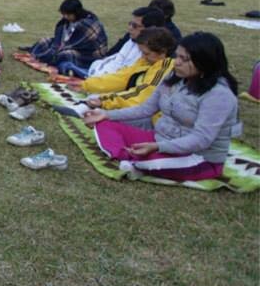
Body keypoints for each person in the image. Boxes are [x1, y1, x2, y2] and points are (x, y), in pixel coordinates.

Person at [83, 32, 240, 181]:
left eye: (184, 59)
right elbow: (145, 109)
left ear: (204, 62)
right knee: (104, 124)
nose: (177, 62)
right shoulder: (174, 77)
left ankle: (133, 158)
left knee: (147, 162)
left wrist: (158, 147)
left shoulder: (219, 95)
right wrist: (106, 114)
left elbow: (201, 139)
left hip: (198, 157)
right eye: (177, 56)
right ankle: (130, 155)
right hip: (158, 139)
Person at [73, 27, 176, 110]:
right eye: (141, 53)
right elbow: (121, 78)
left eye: (146, 53)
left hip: (149, 115)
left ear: (162, 51)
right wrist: (86, 84)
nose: (143, 57)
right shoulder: (146, 61)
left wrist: (104, 101)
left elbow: (141, 96)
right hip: (135, 105)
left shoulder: (164, 69)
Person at [25, 0, 107, 73]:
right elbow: (61, 39)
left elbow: (77, 43)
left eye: (68, 14)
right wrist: (57, 47)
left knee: (66, 54)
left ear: (76, 12)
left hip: (88, 53)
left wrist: (60, 48)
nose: (65, 17)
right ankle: (37, 56)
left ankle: (48, 60)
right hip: (68, 44)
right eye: (64, 14)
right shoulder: (66, 21)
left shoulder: (88, 24)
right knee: (44, 41)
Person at [86, 7, 165, 78]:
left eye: (135, 26)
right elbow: (117, 62)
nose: (130, 28)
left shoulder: (152, 53)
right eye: (130, 24)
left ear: (150, 29)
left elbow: (126, 78)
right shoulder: (131, 40)